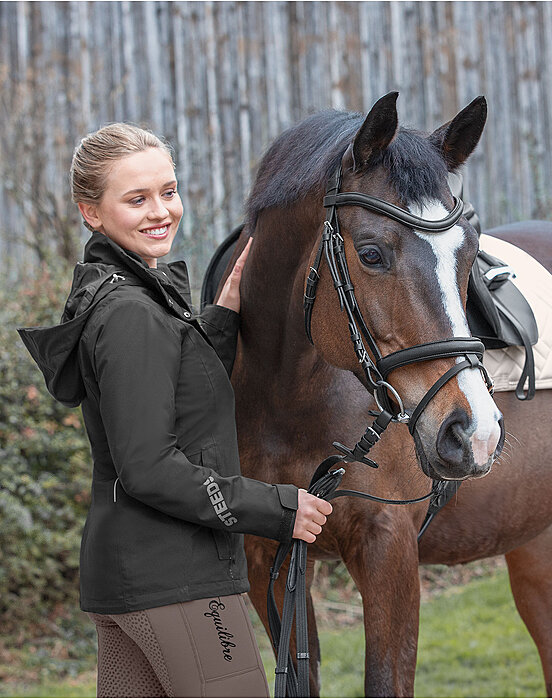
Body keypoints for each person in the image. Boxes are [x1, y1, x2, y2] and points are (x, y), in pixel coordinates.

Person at [17, 123, 333, 698]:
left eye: (168, 190)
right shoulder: (132, 314)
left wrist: (219, 319)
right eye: (136, 199)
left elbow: (163, 393)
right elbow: (149, 466)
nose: (160, 211)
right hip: (178, 580)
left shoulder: (124, 297)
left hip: (132, 576)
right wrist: (277, 506)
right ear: (92, 212)